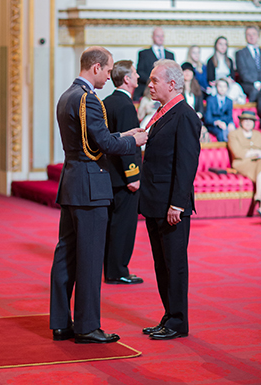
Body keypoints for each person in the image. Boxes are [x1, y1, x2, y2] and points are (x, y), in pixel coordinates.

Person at [50, 46, 148, 344]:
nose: (109, 76)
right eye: (107, 71)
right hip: (91, 188)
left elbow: (90, 142)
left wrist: (124, 136)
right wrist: (135, 141)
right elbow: (102, 144)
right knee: (90, 260)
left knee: (66, 255)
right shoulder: (88, 100)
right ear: (95, 68)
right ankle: (87, 327)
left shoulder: (68, 95)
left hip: (72, 183)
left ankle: (61, 323)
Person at [139, 59, 201, 340]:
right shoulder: (164, 112)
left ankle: (178, 321)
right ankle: (168, 316)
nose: (149, 85)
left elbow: (186, 165)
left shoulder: (185, 115)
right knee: (161, 265)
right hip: (155, 202)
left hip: (171, 206)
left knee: (174, 265)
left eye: (154, 80)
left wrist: (178, 203)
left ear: (172, 84)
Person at [103, 60, 143, 284]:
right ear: (127, 79)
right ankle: (118, 271)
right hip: (124, 177)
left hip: (110, 174)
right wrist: (134, 176)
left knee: (112, 224)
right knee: (123, 226)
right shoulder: (126, 105)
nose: (138, 77)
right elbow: (128, 145)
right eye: (135, 74)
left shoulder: (108, 101)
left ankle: (111, 269)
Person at [228, 110, 261, 216]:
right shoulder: (234, 134)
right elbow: (238, 153)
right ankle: (259, 196)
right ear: (241, 121)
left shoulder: (258, 134)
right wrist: (255, 152)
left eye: (250, 120)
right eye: (245, 120)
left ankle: (259, 197)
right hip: (242, 163)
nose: (248, 122)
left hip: (257, 163)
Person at [133, 27, 175, 101]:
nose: (160, 38)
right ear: (152, 37)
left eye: (162, 36)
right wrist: (154, 82)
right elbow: (140, 72)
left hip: (166, 91)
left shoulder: (170, 55)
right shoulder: (143, 53)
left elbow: (173, 73)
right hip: (146, 90)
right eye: (158, 36)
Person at [207, 36, 246, 105]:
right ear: (216, 45)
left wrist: (228, 80)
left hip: (228, 84)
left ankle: (228, 102)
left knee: (236, 87)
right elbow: (211, 79)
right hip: (217, 84)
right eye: (220, 44)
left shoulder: (229, 60)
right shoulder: (211, 61)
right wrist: (221, 81)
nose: (223, 46)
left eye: (225, 44)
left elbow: (232, 76)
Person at [236, 26, 261, 118]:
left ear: (258, 36)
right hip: (249, 84)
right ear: (245, 37)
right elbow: (243, 73)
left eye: (254, 34)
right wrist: (257, 83)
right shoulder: (240, 53)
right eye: (248, 34)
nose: (251, 37)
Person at [181, 62, 210, 143]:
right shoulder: (177, 90)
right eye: (185, 71)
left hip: (196, 119)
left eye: (189, 71)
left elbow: (200, 109)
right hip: (183, 120)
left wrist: (197, 115)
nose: (187, 73)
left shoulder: (198, 89)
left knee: (204, 132)